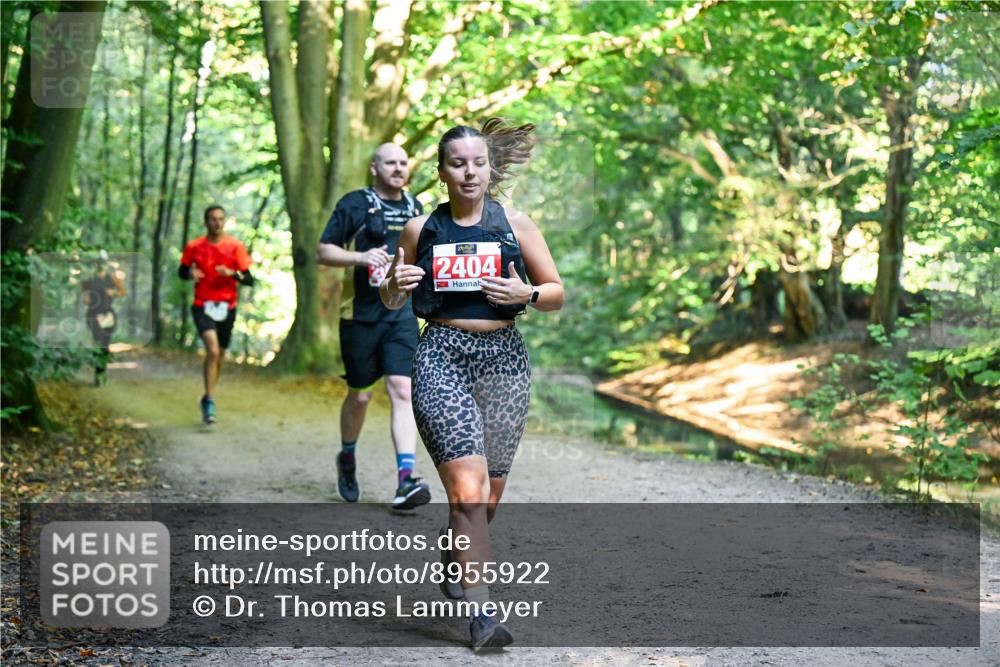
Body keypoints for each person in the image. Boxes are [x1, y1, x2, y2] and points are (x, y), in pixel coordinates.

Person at [380, 118, 563, 652]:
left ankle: (456, 558)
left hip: (504, 360)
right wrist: (394, 285)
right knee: (467, 491)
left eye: (478, 163)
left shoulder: (516, 225)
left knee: (488, 499)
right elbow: (394, 299)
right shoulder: (420, 230)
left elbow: (555, 291)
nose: (469, 172)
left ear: (489, 169)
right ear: (441, 173)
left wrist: (524, 293)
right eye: (458, 163)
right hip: (442, 356)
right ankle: (482, 612)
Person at [317, 143, 431, 510]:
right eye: (390, 163)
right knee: (360, 396)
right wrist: (360, 256)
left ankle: (405, 480)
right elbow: (324, 251)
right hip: (360, 316)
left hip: (401, 314)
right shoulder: (355, 204)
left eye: (403, 163)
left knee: (401, 388)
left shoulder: (416, 209)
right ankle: (347, 456)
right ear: (374, 168)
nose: (398, 169)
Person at [178, 205, 254, 424]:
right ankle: (210, 399)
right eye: (212, 219)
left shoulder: (235, 246)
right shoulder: (195, 246)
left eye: (220, 219)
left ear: (225, 221)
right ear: (206, 222)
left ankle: (208, 393)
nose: (217, 223)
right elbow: (182, 271)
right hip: (203, 304)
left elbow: (249, 278)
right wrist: (191, 273)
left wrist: (232, 273)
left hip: (227, 306)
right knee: (212, 350)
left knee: (219, 355)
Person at [81, 250, 125, 386]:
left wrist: (113, 292)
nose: (100, 264)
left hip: (107, 314)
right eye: (98, 262)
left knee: (104, 344)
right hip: (93, 314)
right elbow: (85, 298)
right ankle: (98, 369)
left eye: (102, 262)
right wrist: (89, 298)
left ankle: (100, 373)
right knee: (98, 341)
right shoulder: (89, 279)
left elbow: (122, 292)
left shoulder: (112, 278)